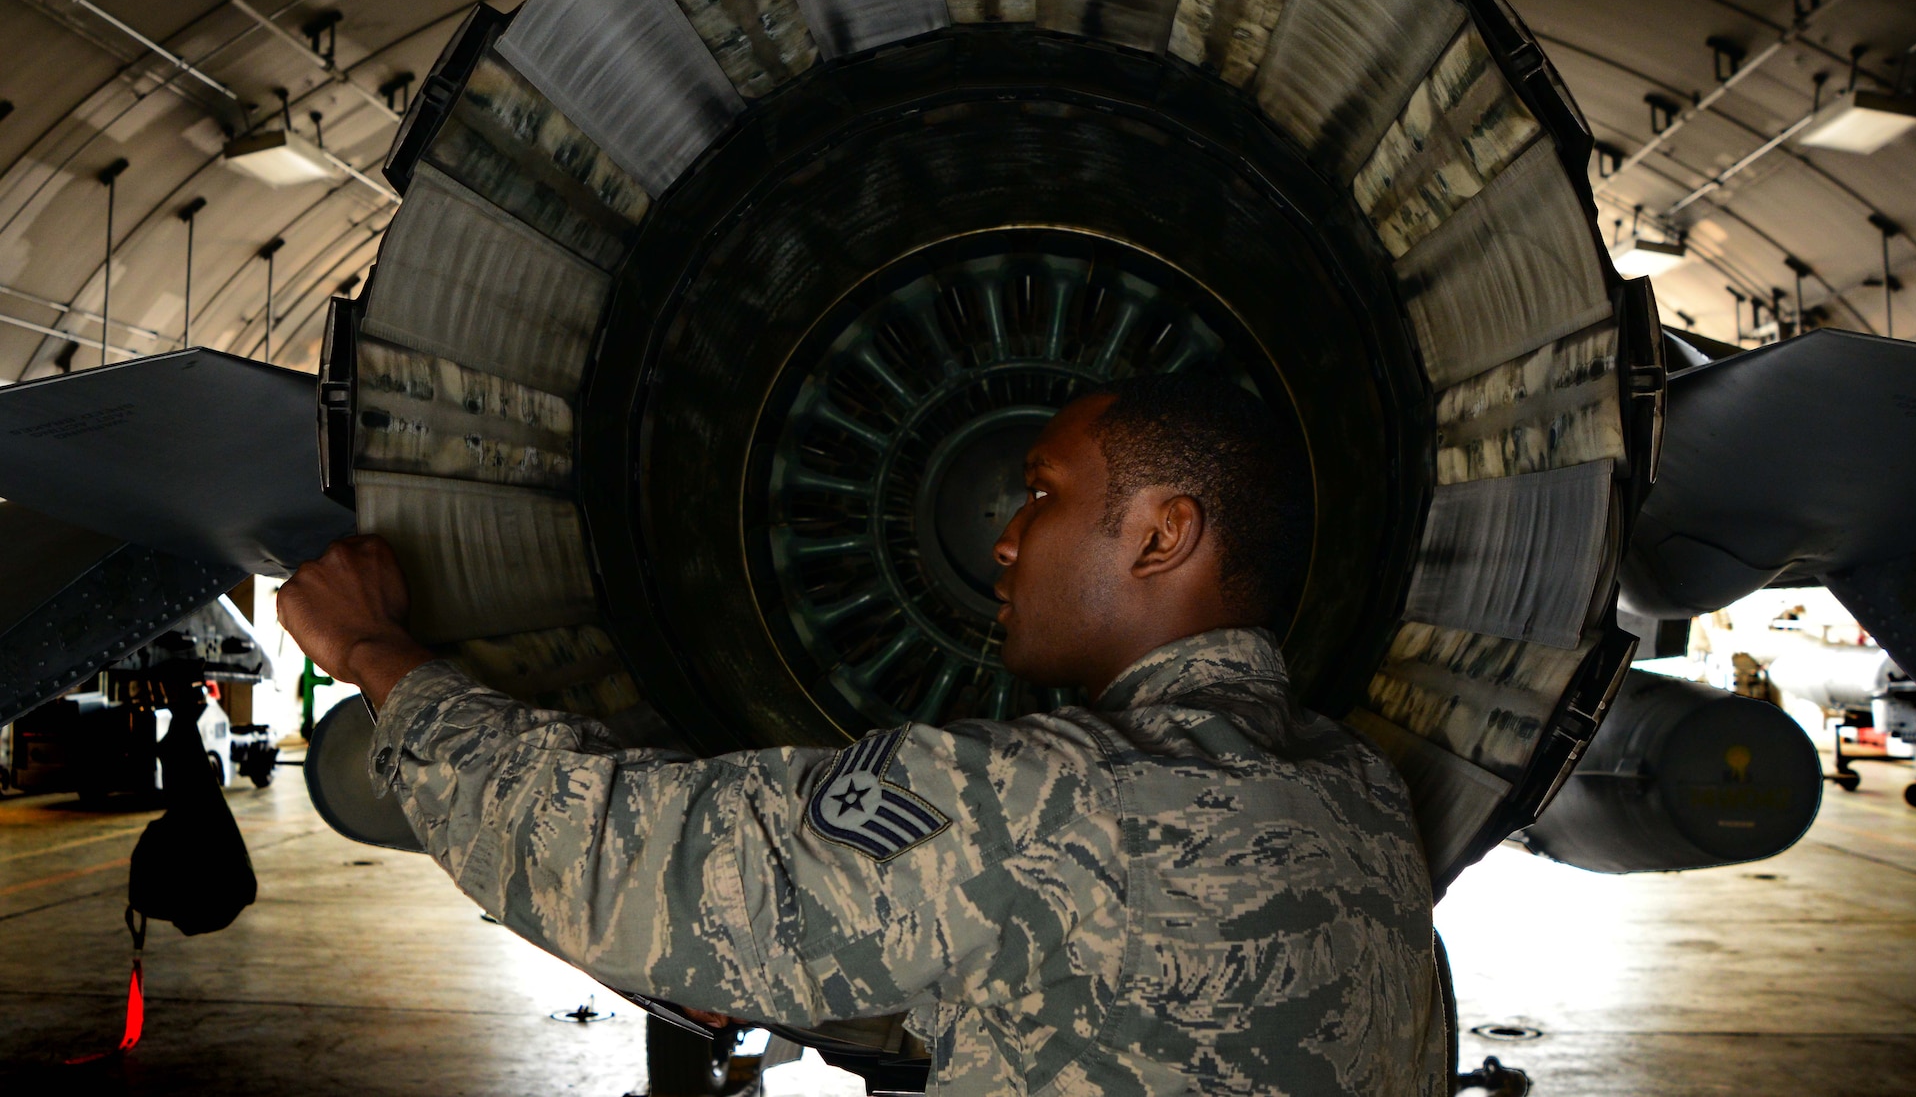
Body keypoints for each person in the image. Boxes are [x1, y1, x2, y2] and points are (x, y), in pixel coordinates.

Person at [278, 374, 1447, 1095]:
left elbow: (622, 864)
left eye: (1039, 493)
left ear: (1159, 536)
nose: (1001, 540)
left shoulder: (1043, 803)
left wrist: (379, 657)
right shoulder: (1359, 800)